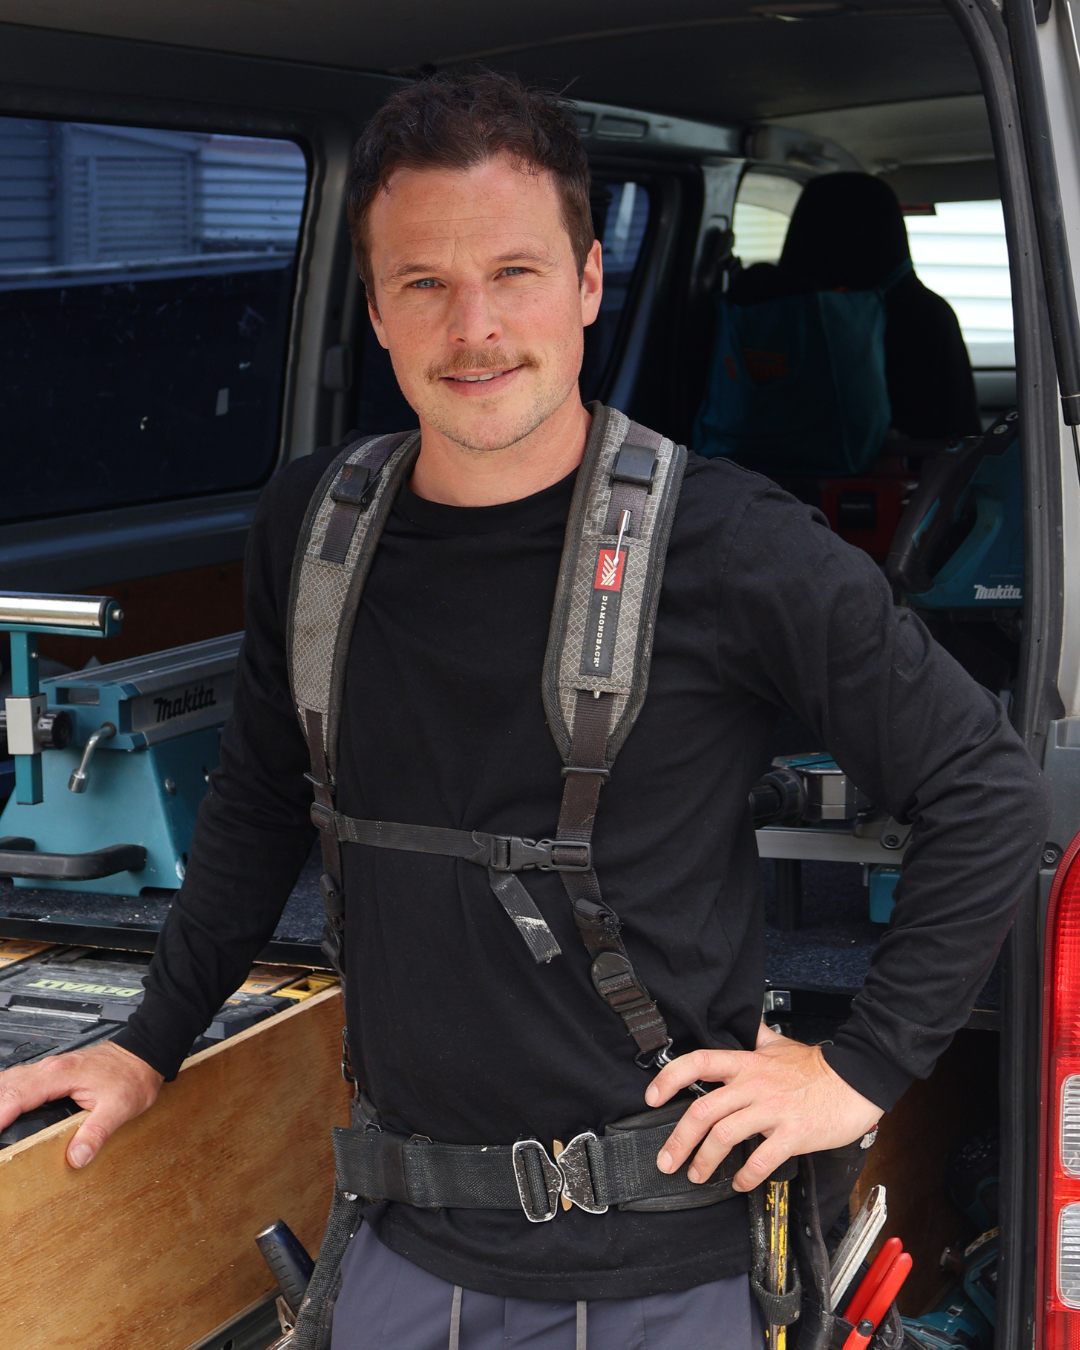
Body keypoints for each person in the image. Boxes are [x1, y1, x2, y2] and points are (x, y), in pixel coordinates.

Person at [0, 73, 1050, 1350]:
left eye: (516, 273)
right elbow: (264, 800)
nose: (475, 327)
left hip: (660, 1263)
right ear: (376, 310)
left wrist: (859, 1069)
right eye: (425, 283)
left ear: (592, 285)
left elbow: (985, 791)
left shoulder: (730, 545)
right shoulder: (313, 529)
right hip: (395, 1239)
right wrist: (149, 1043)